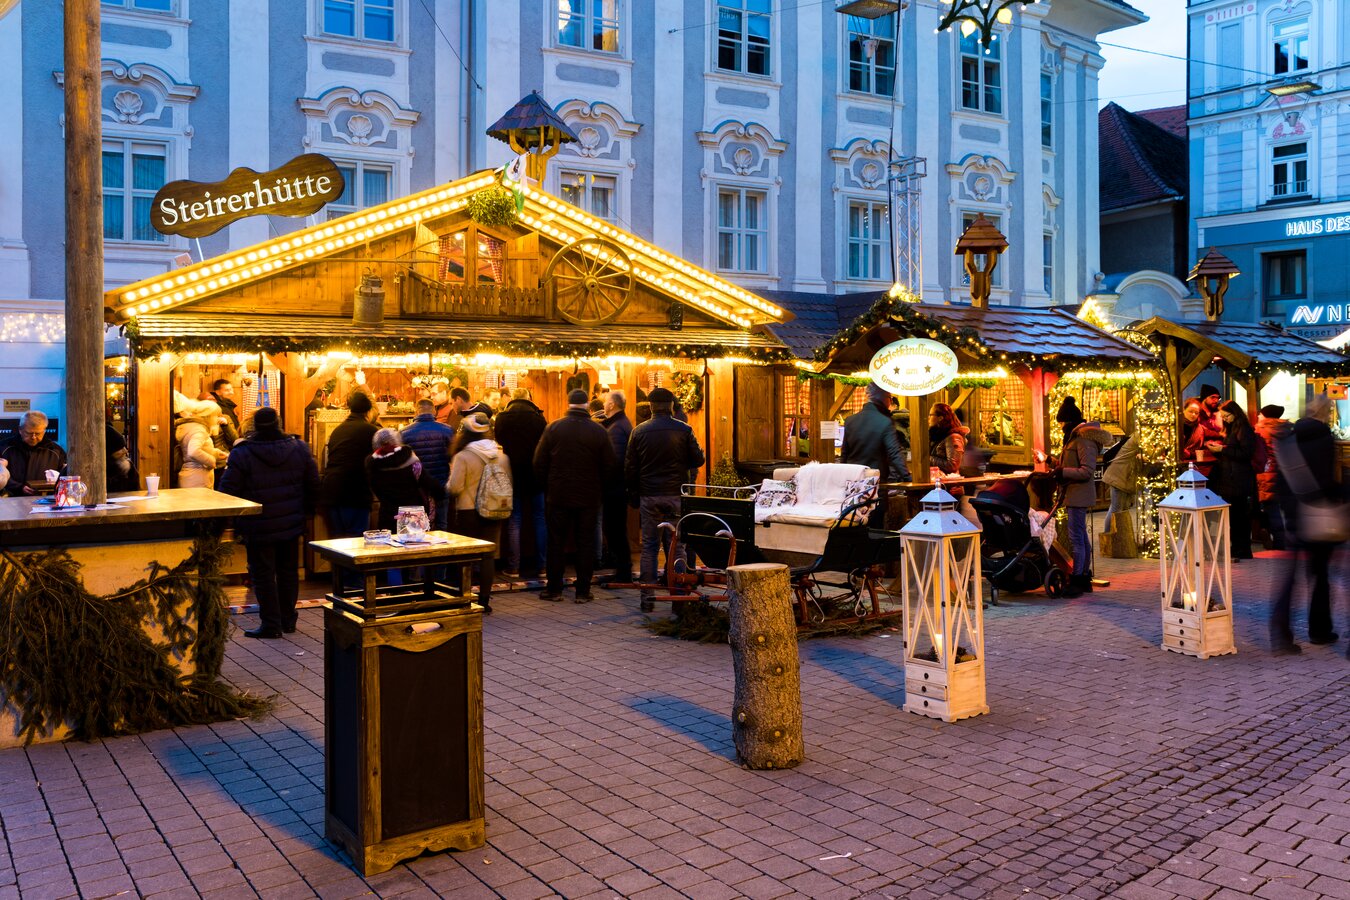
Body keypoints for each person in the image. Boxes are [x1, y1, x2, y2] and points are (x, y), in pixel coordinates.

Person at [218, 407, 320, 639]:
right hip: (291, 523)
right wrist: (308, 513)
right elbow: (313, 484)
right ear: (279, 423)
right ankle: (288, 620)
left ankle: (271, 624)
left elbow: (227, 490)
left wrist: (229, 521)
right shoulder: (299, 448)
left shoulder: (242, 452)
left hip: (257, 524)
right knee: (288, 572)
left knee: (263, 574)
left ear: (254, 426)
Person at [1270, 395, 1345, 655]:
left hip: (1293, 516)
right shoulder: (1324, 438)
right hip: (1318, 518)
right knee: (1321, 576)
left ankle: (1280, 636)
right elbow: (1325, 480)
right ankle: (1320, 631)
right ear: (1325, 413)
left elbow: (1280, 482)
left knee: (1288, 580)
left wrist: (1289, 510)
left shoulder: (1288, 437)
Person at [625, 387, 704, 612]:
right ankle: (678, 600)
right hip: (675, 495)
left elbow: (630, 467)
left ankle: (647, 599)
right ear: (670, 405)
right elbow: (698, 460)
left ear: (650, 407)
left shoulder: (639, 432)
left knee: (649, 547)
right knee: (677, 547)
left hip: (650, 496)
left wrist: (633, 494)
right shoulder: (684, 430)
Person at [535, 389, 616, 603]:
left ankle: (554, 590)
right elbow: (609, 465)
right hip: (589, 497)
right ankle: (582, 591)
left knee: (556, 542)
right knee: (585, 543)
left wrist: (549, 485)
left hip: (558, 495)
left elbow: (539, 463)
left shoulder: (553, 428)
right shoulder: (599, 431)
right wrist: (599, 489)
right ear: (588, 405)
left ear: (568, 403)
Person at [447, 413, 510, 613]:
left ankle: (465, 597)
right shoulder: (501, 456)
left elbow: (455, 487)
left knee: (465, 556)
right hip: (494, 511)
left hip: (468, 511)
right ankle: (484, 601)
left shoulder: (463, 456)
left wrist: (445, 486)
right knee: (488, 557)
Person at [1052, 397, 1112, 597]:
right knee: (1080, 535)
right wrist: (1051, 462)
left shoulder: (1083, 440)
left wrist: (1063, 472)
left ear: (1068, 421)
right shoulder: (1074, 438)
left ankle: (1078, 578)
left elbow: (1086, 471)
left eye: (1061, 422)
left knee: (1076, 537)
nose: (1060, 426)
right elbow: (1070, 465)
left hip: (1079, 494)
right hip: (1073, 493)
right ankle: (1083, 576)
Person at [495, 387, 548, 579]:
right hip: (535, 475)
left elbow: (499, 439)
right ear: (529, 399)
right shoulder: (539, 419)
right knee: (540, 520)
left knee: (514, 521)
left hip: (513, 473)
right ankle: (542, 567)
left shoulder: (502, 418)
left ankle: (514, 567)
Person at [841, 382, 911, 526]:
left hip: (853, 484)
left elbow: (844, 455)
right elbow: (894, 454)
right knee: (875, 525)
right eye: (890, 398)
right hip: (875, 486)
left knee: (853, 523)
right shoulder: (885, 422)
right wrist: (908, 477)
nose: (890, 402)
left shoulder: (850, 421)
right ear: (883, 398)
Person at [320, 391, 380, 548]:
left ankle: (338, 573)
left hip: (331, 493)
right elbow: (379, 463)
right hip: (355, 493)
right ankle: (353, 574)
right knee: (356, 546)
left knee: (337, 546)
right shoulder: (371, 431)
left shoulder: (338, 430)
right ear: (368, 412)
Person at [1206, 399, 1257, 562]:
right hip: (1231, 479)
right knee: (1234, 517)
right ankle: (1237, 548)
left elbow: (1245, 453)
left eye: (1226, 416)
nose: (1225, 419)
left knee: (1240, 516)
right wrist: (1217, 450)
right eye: (1222, 416)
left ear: (1235, 414)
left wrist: (1223, 449)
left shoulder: (1244, 429)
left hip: (1239, 481)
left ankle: (1242, 549)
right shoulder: (1232, 429)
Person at [401, 399, 455, 532]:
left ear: (416, 410)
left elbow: (403, 461)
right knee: (442, 525)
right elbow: (453, 457)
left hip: (417, 487)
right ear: (434, 411)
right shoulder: (447, 430)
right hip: (441, 483)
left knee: (416, 527)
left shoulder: (404, 433)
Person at [599, 390, 634, 583]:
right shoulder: (619, 425)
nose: (604, 405)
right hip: (617, 488)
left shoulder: (617, 429)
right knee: (615, 530)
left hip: (615, 490)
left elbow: (615, 461)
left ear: (612, 405)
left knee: (615, 531)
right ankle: (622, 570)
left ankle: (623, 572)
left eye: (606, 402)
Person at [0, 411, 67, 496]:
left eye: (38, 433)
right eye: (29, 433)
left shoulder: (56, 451)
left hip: (45, 502)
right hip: (10, 501)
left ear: (44, 430)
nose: (33, 437)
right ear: (20, 430)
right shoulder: (3, 448)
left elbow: (65, 476)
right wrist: (18, 487)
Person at [1255, 404, 1288, 550]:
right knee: (1276, 507)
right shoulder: (1285, 429)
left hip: (1266, 471)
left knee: (1270, 507)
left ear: (1266, 415)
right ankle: (1279, 539)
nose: (1258, 416)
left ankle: (1279, 541)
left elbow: (1257, 451)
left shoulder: (1262, 429)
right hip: (1282, 471)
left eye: (1260, 413)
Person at [175, 400, 228, 488]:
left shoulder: (193, 427)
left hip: (192, 475)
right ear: (208, 416)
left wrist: (215, 453)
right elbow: (193, 451)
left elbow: (195, 448)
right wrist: (211, 461)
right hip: (198, 476)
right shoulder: (199, 430)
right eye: (216, 416)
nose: (217, 419)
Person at [1101, 434, 1140, 534]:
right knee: (1116, 509)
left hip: (1120, 476)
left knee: (1120, 509)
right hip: (1119, 477)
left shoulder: (1136, 436)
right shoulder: (1139, 437)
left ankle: (1117, 536)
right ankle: (1108, 536)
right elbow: (1150, 454)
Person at [927, 402, 969, 494]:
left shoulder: (953, 437)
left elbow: (952, 465)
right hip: (939, 486)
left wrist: (927, 459)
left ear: (940, 418)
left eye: (931, 415)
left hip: (951, 488)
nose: (928, 418)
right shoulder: (937, 435)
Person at [105, 421, 139, 493]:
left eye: (124, 447)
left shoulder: (129, 467)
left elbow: (136, 492)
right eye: (120, 448)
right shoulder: (98, 472)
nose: (125, 451)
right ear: (108, 451)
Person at [210, 378, 240, 453]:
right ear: (217, 392)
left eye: (231, 389)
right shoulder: (217, 407)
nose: (231, 392)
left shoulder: (227, 404)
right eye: (227, 390)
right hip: (225, 446)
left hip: (232, 441)